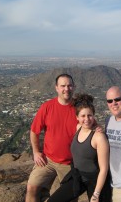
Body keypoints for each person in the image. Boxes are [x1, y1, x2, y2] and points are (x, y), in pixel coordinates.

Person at [48, 94, 111, 202]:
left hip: (95, 180)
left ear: (94, 115)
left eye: (90, 115)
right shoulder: (78, 128)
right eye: (83, 116)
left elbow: (104, 169)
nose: (86, 119)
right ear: (77, 117)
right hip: (78, 176)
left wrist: (96, 194)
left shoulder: (99, 137)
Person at [25, 73, 78, 202]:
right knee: (32, 187)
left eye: (69, 85)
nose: (66, 89)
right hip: (48, 160)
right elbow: (34, 131)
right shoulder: (47, 107)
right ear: (56, 88)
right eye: (63, 86)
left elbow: (90, 123)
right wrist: (36, 152)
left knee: (70, 197)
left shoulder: (79, 108)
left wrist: (97, 127)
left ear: (74, 87)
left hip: (69, 163)